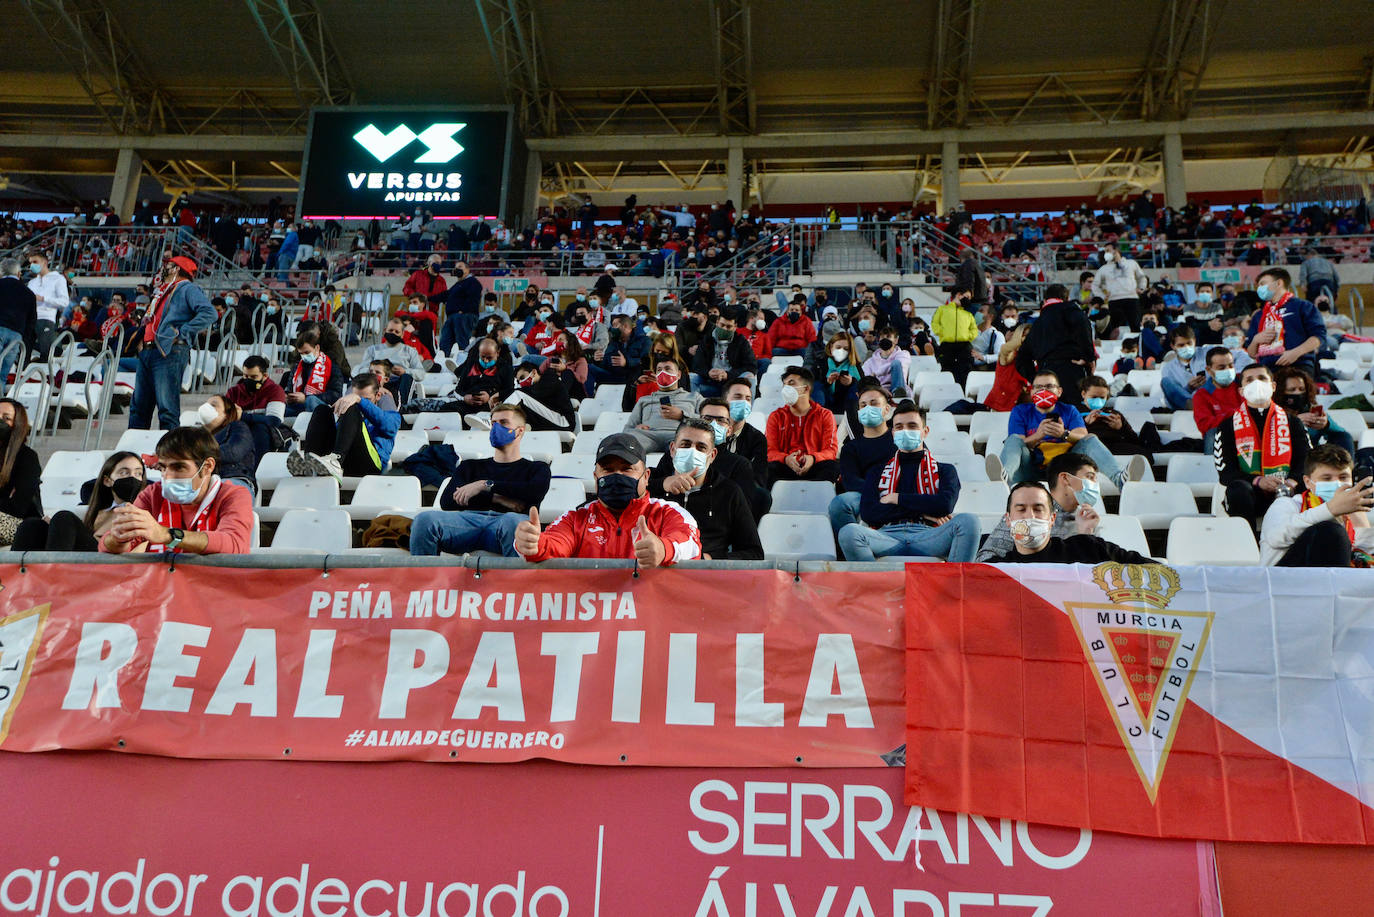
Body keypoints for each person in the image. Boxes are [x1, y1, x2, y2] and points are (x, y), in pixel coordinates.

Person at [514, 432, 702, 565]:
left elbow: (691, 545)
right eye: (608, 469)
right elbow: (553, 544)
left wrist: (662, 549)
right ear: (596, 478)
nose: (617, 475)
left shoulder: (667, 512)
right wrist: (532, 543)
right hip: (592, 617)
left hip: (649, 616)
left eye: (627, 469)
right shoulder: (575, 519)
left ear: (646, 477)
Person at [837, 401, 981, 562]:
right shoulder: (877, 471)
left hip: (929, 535)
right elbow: (870, 513)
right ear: (892, 433)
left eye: (912, 426)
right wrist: (926, 511)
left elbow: (945, 505)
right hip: (887, 536)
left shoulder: (945, 470)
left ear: (925, 431)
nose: (905, 431)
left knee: (969, 522)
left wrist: (897, 498)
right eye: (899, 427)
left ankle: (954, 586)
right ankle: (875, 586)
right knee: (849, 532)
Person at [410, 403, 551, 557]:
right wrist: (498, 498)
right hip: (466, 523)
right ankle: (426, 580)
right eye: (493, 423)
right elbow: (448, 502)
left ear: (520, 431)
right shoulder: (469, 466)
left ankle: (515, 580)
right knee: (424, 520)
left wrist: (484, 485)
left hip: (508, 523)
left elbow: (533, 493)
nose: (496, 427)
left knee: (514, 522)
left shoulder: (537, 468)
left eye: (503, 422)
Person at [101, 426, 253, 556]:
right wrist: (117, 539)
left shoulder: (234, 495)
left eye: (179, 467)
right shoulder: (153, 493)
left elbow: (235, 544)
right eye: (163, 467)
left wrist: (167, 535)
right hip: (162, 588)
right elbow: (106, 546)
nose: (167, 476)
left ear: (207, 467)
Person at [989, 370, 1146, 487]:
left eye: (1049, 386)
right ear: (1032, 392)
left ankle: (1120, 480)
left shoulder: (1069, 410)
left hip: (1064, 468)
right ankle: (1003, 481)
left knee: (1091, 439)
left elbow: (1083, 435)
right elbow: (1018, 442)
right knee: (1013, 440)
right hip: (1031, 467)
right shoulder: (1021, 411)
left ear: (1059, 391)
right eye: (1039, 387)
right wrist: (1038, 435)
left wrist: (1064, 434)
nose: (1044, 391)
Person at [649, 418, 762, 560]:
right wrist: (662, 484)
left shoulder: (729, 492)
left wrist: (708, 559)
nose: (692, 451)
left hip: (705, 575)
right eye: (685, 445)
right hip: (654, 571)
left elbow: (753, 553)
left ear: (712, 455)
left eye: (701, 447)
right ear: (672, 449)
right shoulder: (647, 483)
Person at [1214, 363, 1311, 528]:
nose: (1256, 384)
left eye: (1261, 378)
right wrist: (1258, 481)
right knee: (1237, 489)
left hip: (1288, 489)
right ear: (1241, 391)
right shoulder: (1227, 426)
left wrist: (1292, 481)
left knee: (1310, 484)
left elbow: (1307, 461)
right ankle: (1248, 543)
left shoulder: (1293, 422)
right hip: (1251, 493)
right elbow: (1226, 473)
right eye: (1249, 380)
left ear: (1273, 386)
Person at [129, 256, 216, 431]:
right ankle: (134, 450)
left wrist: (182, 332)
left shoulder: (188, 288)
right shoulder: (163, 291)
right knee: (138, 408)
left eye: (168, 265)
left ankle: (169, 454)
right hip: (149, 351)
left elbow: (209, 313)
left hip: (169, 351)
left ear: (177, 269)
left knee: (167, 408)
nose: (163, 268)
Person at [1259, 445, 1373, 567]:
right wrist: (1330, 509)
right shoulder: (1287, 504)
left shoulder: (1351, 513)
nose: (1337, 483)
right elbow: (1276, 538)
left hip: (1336, 578)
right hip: (1284, 579)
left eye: (1343, 477)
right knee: (1331, 531)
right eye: (1327, 478)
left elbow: (1364, 557)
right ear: (1308, 482)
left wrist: (1362, 527)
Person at [987, 481, 1153, 564]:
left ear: (1052, 518)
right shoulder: (996, 570)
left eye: (1038, 509)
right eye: (1021, 509)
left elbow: (1153, 570)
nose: (1030, 516)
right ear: (1008, 520)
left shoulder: (1088, 549)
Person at [977, 452, 1101, 561]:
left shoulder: (1087, 520)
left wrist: (1085, 535)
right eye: (1089, 477)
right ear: (1065, 479)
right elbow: (986, 559)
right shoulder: (1022, 513)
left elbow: (1092, 574)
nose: (1095, 485)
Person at [14, 452, 145, 552]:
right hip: (90, 556)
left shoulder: (145, 511)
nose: (132, 478)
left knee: (64, 518)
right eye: (124, 472)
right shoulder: (99, 511)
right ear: (107, 481)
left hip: (111, 562)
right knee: (32, 525)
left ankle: (53, 579)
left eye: (138, 473)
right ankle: (13, 581)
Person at [288, 373, 402, 479]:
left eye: (366, 399)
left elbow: (389, 425)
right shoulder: (350, 416)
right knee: (322, 410)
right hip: (346, 460)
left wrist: (359, 401)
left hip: (370, 465)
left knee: (352, 409)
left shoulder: (392, 416)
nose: (358, 401)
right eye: (356, 396)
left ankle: (335, 462)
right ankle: (310, 462)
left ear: (378, 396)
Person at [828, 383, 895, 534]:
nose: (868, 408)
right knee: (840, 503)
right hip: (867, 495)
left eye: (874, 403)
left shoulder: (902, 438)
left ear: (886, 410)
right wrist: (883, 493)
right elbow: (851, 481)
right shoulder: (850, 448)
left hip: (902, 493)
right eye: (863, 405)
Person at [1019, 284, 1095, 404]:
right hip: (1072, 371)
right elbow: (1084, 329)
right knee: (1072, 414)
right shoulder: (1072, 310)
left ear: (1045, 300)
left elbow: (1021, 358)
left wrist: (1036, 377)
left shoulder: (1037, 324)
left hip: (1046, 372)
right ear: (1067, 298)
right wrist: (1088, 357)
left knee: (1050, 415)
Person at [766, 366, 839, 483]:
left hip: (814, 466)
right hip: (786, 466)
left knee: (832, 466)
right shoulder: (776, 416)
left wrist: (813, 458)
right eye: (784, 385)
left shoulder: (825, 415)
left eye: (791, 383)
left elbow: (830, 450)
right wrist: (785, 459)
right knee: (768, 468)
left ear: (806, 389)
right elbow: (770, 451)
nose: (786, 389)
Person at [1245, 267, 1324, 374]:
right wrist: (1256, 340)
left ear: (1278, 283)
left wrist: (1295, 353)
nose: (1259, 288)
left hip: (1299, 365)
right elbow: (1251, 353)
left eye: (1262, 284)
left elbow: (1318, 337)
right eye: (1258, 286)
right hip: (1268, 369)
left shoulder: (1302, 306)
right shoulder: (1259, 315)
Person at [623, 355, 703, 452]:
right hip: (648, 436)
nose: (662, 373)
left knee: (688, 448)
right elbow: (628, 429)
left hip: (678, 435)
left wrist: (682, 415)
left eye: (667, 369)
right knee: (624, 443)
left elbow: (708, 421)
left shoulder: (694, 397)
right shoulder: (644, 400)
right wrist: (636, 428)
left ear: (678, 375)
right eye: (659, 370)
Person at [1276, 366, 1355, 453]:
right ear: (1281, 392)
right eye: (1292, 390)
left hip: (1312, 457)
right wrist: (1294, 424)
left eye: (1301, 389)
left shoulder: (1311, 410)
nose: (1298, 393)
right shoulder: (1274, 412)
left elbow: (1341, 432)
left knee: (1343, 437)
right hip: (1286, 455)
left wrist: (1326, 424)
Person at [226, 355, 287, 460]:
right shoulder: (234, 391)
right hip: (238, 431)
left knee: (260, 427)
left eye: (253, 377)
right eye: (245, 376)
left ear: (265, 376)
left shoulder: (275, 391)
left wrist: (242, 416)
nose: (248, 380)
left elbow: (274, 420)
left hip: (263, 434)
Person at [197, 394, 257, 496]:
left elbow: (233, 452)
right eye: (206, 404)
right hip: (203, 483)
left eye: (213, 405)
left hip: (232, 479)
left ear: (226, 414)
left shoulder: (238, 427)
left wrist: (196, 454)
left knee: (221, 492)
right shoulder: (196, 436)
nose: (206, 407)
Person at [0, 399, 43, 541]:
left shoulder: (27, 457)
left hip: (21, 525)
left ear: (17, 424)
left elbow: (18, 508)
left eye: (6, 418)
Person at [690, 309, 755, 397]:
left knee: (749, 376)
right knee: (692, 377)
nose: (724, 329)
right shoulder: (706, 340)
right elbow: (696, 365)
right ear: (717, 322)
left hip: (733, 384)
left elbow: (751, 367)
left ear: (735, 326)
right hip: (710, 381)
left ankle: (747, 409)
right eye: (722, 325)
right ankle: (692, 407)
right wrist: (708, 373)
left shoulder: (741, 341)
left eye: (729, 327)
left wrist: (728, 375)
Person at [281, 327, 345, 417]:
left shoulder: (331, 366)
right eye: (301, 353)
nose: (304, 356)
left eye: (307, 352)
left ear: (317, 348)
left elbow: (335, 395)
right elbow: (289, 388)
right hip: (297, 407)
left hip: (321, 407)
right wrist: (287, 396)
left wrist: (305, 398)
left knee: (311, 400)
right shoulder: (297, 366)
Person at [1193, 346, 1243, 454]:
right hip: (1221, 440)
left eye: (1230, 365)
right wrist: (1237, 414)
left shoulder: (1243, 383)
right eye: (1221, 367)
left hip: (1247, 434)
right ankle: (1213, 470)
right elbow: (1205, 425)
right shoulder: (1201, 395)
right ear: (1209, 370)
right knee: (1214, 432)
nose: (1228, 370)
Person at [501, 360, 577, 431]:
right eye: (519, 381)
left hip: (564, 421)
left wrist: (501, 394)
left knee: (518, 395)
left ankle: (496, 421)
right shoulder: (534, 389)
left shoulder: (549, 378)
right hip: (551, 419)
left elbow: (536, 392)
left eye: (522, 377)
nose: (521, 382)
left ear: (534, 372)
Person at [1092, 241, 1148, 336]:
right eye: (1105, 251)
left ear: (1116, 250)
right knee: (1115, 328)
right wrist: (1102, 296)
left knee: (1135, 326)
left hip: (1132, 298)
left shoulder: (1131, 263)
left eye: (1108, 250)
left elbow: (1142, 277)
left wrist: (1141, 288)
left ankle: (1137, 347)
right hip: (1114, 300)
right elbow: (1095, 285)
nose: (1106, 253)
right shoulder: (1104, 268)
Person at [932, 286, 979, 386]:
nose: (968, 300)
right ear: (958, 295)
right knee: (947, 370)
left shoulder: (968, 312)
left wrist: (967, 336)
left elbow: (974, 329)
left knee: (965, 370)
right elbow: (935, 324)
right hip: (947, 345)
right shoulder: (942, 309)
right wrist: (943, 332)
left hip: (964, 346)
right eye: (967, 296)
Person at [0, 258, 35, 385]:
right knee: (2, 376)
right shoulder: (29, 293)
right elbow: (31, 322)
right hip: (16, 336)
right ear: (19, 274)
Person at [25, 251, 69, 354]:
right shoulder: (32, 283)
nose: (32, 265)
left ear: (45, 262)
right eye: (30, 262)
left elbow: (64, 301)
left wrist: (43, 298)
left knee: (46, 352)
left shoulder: (58, 279)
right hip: (30, 319)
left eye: (35, 261)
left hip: (46, 318)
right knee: (24, 353)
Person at [364, 318, 428, 387]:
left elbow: (421, 373)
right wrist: (376, 370)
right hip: (377, 384)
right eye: (390, 330)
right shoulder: (372, 350)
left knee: (406, 377)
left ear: (402, 334)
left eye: (397, 332)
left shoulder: (410, 351)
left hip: (400, 384)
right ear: (385, 331)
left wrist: (405, 371)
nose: (393, 333)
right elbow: (360, 370)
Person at [1158, 325, 1208, 410]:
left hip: (1209, 396)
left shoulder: (1207, 353)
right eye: (1181, 345)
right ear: (1173, 346)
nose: (1186, 347)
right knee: (1165, 382)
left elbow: (1237, 356)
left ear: (1195, 341)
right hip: (1185, 405)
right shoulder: (1168, 368)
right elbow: (1172, 396)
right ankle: (1192, 404)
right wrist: (1189, 388)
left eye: (1189, 343)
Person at [440, 260, 483, 356]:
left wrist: (462, 311)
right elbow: (446, 295)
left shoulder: (473, 282)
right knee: (445, 341)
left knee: (462, 342)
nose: (457, 269)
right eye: (456, 267)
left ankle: (464, 361)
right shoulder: (458, 284)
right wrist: (427, 297)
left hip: (464, 316)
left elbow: (472, 298)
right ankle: (442, 359)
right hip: (453, 316)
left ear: (467, 269)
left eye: (460, 267)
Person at [817, 331, 864, 411]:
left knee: (855, 388)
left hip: (847, 403)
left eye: (846, 349)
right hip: (827, 401)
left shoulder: (855, 365)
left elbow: (863, 385)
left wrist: (851, 383)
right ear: (831, 347)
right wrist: (828, 382)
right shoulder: (821, 362)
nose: (841, 351)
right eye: (838, 347)